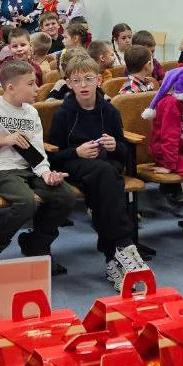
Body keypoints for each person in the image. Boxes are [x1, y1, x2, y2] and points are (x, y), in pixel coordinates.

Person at [0, 58, 75, 275]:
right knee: (26, 203)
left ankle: (37, 244)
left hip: (29, 168)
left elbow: (37, 151)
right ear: (11, 88)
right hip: (0, 169)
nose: (37, 88)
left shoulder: (31, 112)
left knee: (65, 196)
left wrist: (46, 173)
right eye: (31, 84)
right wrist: (3, 140)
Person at [48, 53, 147, 288]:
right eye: (76, 80)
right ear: (68, 83)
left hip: (105, 167)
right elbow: (54, 156)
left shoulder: (110, 111)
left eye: (88, 79)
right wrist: (76, 152)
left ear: (99, 80)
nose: (83, 85)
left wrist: (115, 145)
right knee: (106, 177)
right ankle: (122, 244)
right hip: (74, 164)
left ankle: (113, 257)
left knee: (105, 178)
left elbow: (123, 150)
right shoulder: (63, 114)